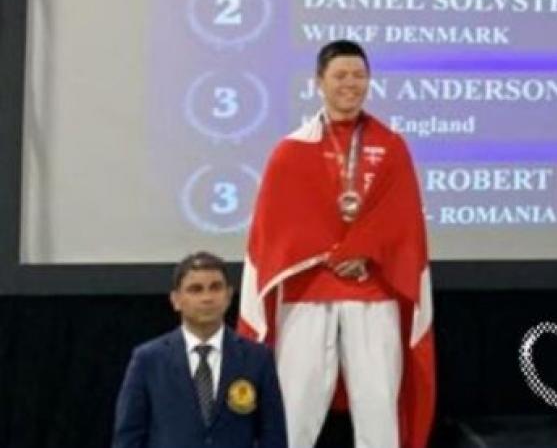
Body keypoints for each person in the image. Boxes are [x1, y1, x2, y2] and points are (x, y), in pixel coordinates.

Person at [238, 40, 435, 448]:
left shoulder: (393, 146)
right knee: (295, 409)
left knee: (379, 408)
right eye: (341, 75)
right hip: (307, 293)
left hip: (373, 291)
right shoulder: (291, 151)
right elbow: (275, 229)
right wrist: (330, 254)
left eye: (359, 76)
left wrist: (365, 250)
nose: (351, 84)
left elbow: (404, 221)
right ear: (319, 82)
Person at [113, 251, 286, 448]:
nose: (207, 298)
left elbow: (273, 437)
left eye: (215, 288)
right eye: (196, 290)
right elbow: (128, 437)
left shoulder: (257, 358)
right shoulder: (149, 359)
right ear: (176, 300)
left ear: (228, 295)